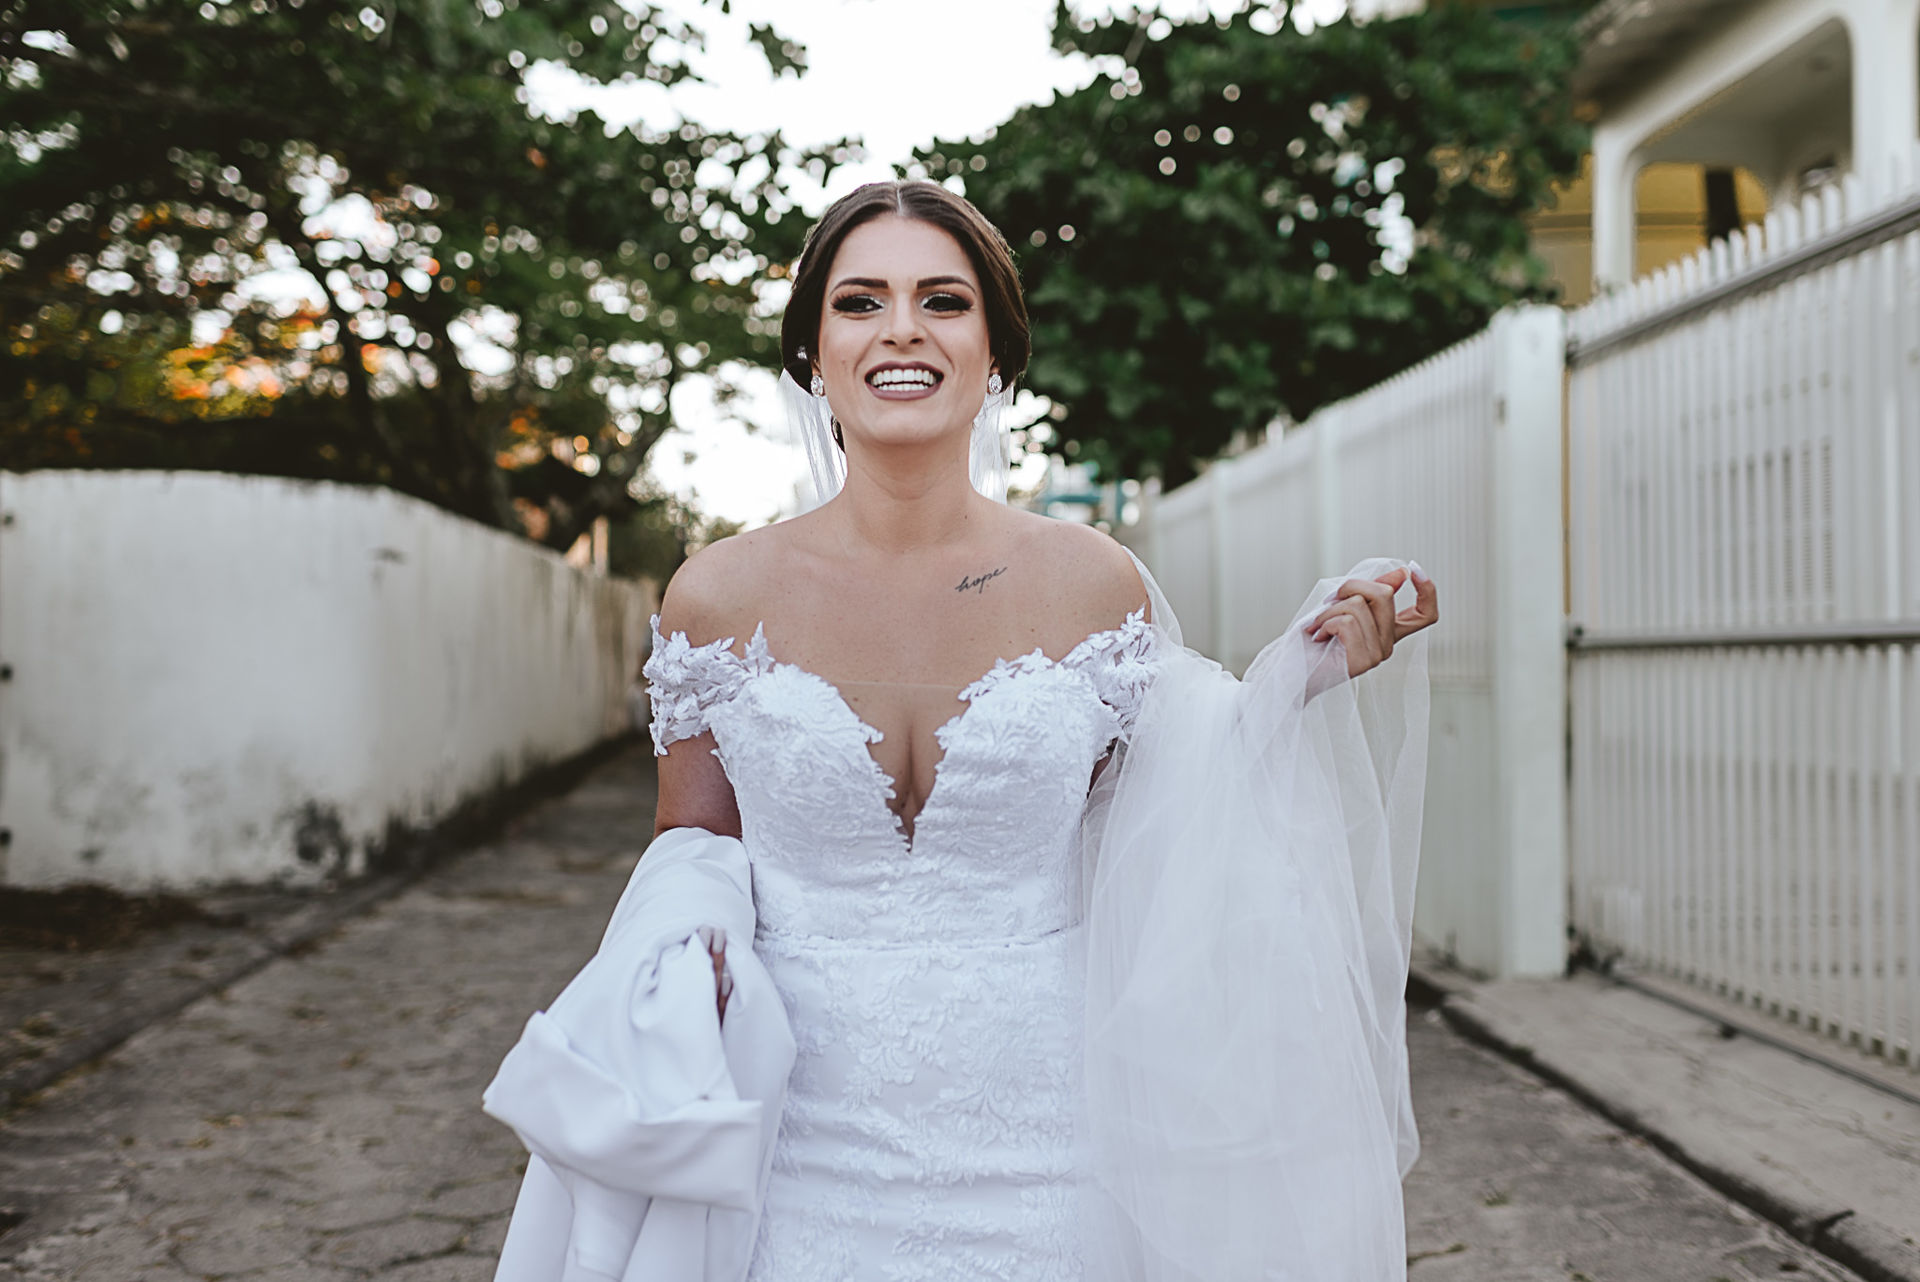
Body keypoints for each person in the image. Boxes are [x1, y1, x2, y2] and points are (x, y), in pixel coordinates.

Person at [492, 179, 1438, 1282]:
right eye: (860, 302)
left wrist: (1305, 671)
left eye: (943, 299)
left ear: (994, 350)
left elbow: (1192, 785)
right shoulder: (714, 593)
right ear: (813, 352)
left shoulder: (1094, 583)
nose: (903, 328)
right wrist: (687, 936)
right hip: (797, 1143)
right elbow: (693, 835)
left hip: (1052, 1144)